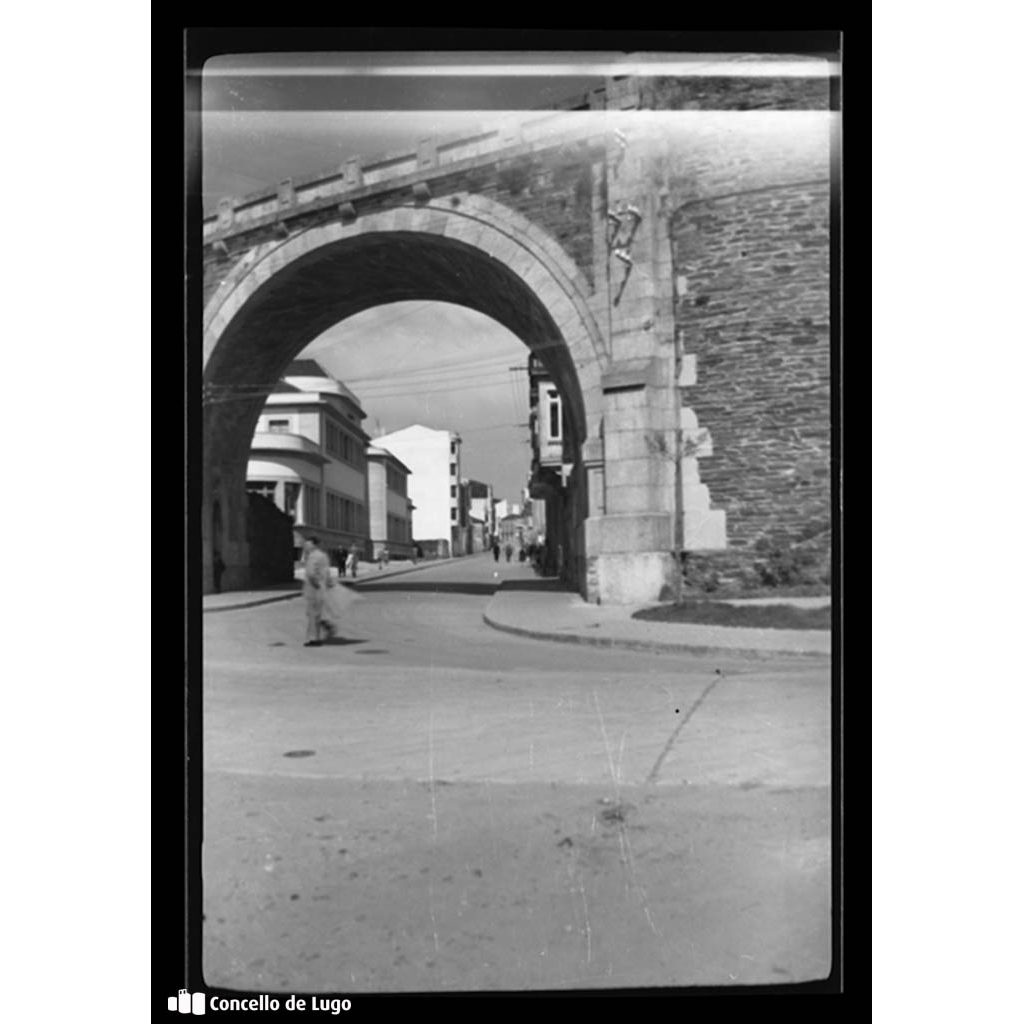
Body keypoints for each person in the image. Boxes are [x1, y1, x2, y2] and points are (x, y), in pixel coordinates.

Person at [302, 536, 332, 647]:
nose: (306, 546)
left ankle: (314, 639)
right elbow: (326, 572)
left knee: (313, 614)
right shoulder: (323, 556)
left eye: (308, 544)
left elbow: (311, 573)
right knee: (315, 614)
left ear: (314, 545)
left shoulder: (314, 556)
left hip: (314, 588)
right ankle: (316, 635)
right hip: (319, 587)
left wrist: (317, 584)